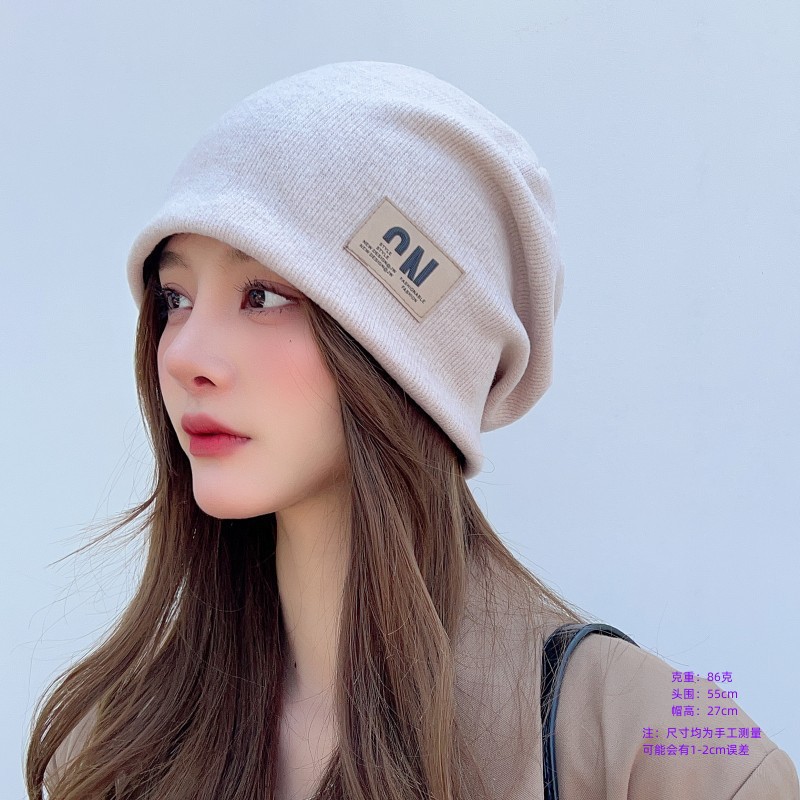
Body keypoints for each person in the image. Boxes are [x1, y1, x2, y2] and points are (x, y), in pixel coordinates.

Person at [26, 61, 798, 800]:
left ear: (410, 359)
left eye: (263, 295)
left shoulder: (664, 759)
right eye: (175, 297)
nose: (184, 355)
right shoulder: (115, 745)